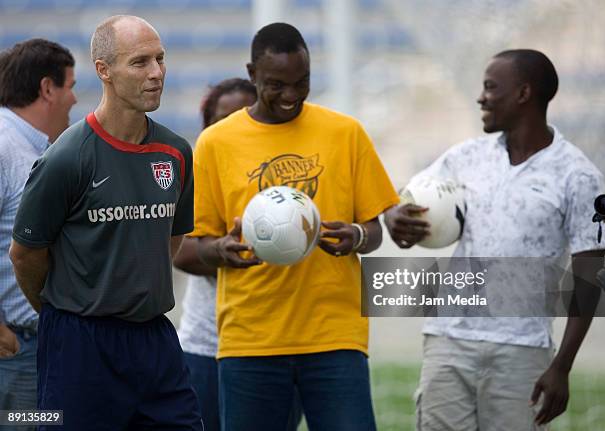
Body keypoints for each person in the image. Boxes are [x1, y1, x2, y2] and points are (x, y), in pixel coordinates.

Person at [385, 49, 605, 430]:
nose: (481, 97)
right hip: (448, 341)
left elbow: (588, 275)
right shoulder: (464, 157)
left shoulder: (578, 175)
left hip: (522, 350)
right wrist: (395, 218)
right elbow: (404, 201)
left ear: (524, 94)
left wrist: (562, 366)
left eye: (491, 87)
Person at [190, 22, 398, 431]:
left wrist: (354, 236)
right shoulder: (215, 143)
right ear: (252, 75)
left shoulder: (345, 133)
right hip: (249, 342)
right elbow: (192, 246)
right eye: (276, 84)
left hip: (335, 339)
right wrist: (220, 251)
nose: (290, 95)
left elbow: (373, 230)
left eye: (301, 82)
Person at [9, 15, 201, 431]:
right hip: (81, 343)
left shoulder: (176, 151)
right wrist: (67, 312)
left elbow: (170, 239)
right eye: (139, 62)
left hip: (154, 339)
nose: (156, 73)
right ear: (104, 71)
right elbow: (25, 254)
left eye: (160, 59)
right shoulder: (67, 157)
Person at [173, 78, 258, 431]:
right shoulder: (196, 171)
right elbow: (179, 252)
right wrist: (220, 250)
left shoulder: (283, 173)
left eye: (244, 116)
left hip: (274, 345)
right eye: (223, 119)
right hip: (208, 344)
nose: (234, 127)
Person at [0, 38, 76, 430]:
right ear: (47, 88)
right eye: (70, 86)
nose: (75, 99)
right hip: (14, 347)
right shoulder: (4, 146)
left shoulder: (30, 149)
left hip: (34, 343)